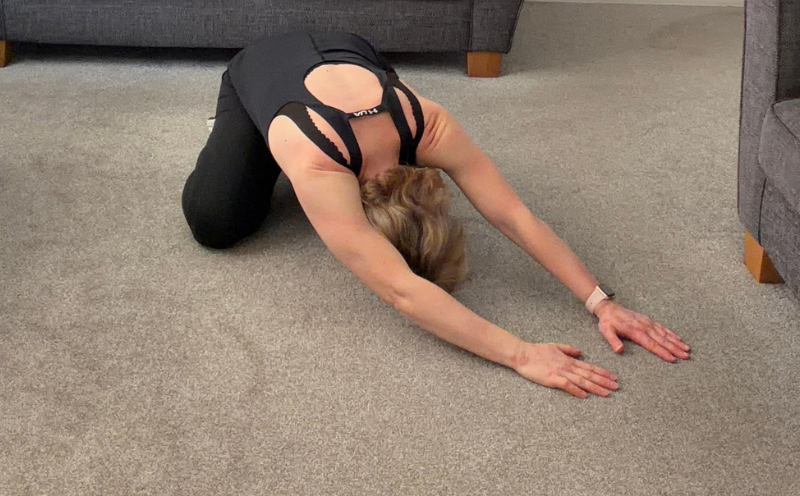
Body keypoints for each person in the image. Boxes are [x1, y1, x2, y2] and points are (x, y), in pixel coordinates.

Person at [181, 29, 690, 398]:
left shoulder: (425, 120)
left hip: (352, 48)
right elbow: (401, 288)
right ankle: (245, 131)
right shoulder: (317, 157)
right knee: (215, 221)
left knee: (272, 202)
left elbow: (512, 213)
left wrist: (601, 301)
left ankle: (268, 144)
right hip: (257, 66)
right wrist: (519, 353)